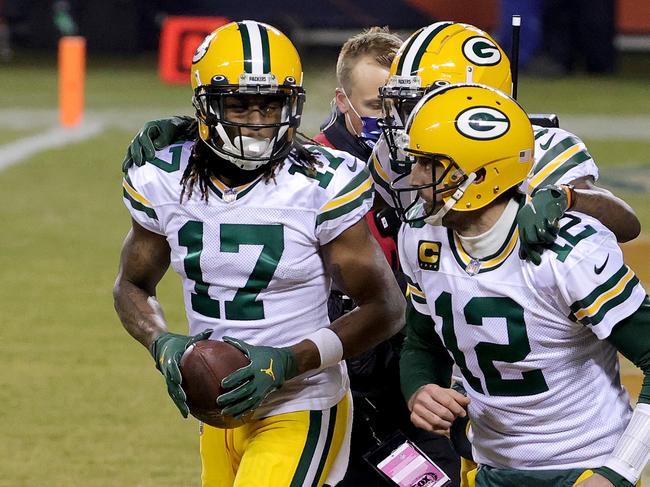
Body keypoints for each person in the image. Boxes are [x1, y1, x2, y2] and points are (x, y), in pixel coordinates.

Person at [113, 20, 405, 487]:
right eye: (239, 103)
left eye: (271, 103)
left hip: (302, 403)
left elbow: (385, 308)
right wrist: (161, 342)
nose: (257, 120)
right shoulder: (164, 177)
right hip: (219, 410)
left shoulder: (322, 182)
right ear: (206, 105)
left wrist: (287, 361)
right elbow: (132, 284)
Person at [395, 83, 650, 487]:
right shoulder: (421, 236)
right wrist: (420, 388)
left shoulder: (567, 253)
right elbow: (421, 342)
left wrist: (619, 471)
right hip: (486, 467)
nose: (414, 176)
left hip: (583, 466)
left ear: (478, 175)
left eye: (429, 164)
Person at [372, 21, 639, 265]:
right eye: (402, 105)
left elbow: (626, 225)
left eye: (417, 104)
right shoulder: (391, 150)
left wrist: (567, 198)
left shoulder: (538, 149)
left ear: (472, 99)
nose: (406, 122)